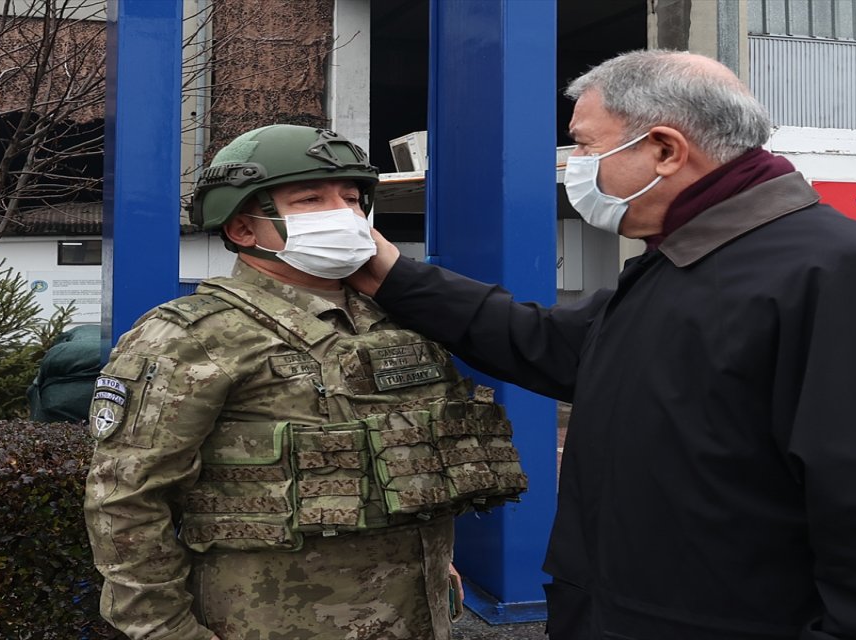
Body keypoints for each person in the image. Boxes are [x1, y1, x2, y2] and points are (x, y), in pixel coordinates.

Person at [346, 50, 856, 640]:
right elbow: (548, 344)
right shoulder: (685, 263)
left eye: (585, 146)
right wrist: (390, 273)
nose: (574, 167)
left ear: (665, 150)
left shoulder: (842, 278)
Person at [83, 125, 526, 640]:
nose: (344, 214)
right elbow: (125, 499)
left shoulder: (400, 319)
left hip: (417, 612)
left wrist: (434, 562)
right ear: (244, 228)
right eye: (311, 198)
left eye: (353, 199)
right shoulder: (192, 337)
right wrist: (166, 630)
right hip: (271, 619)